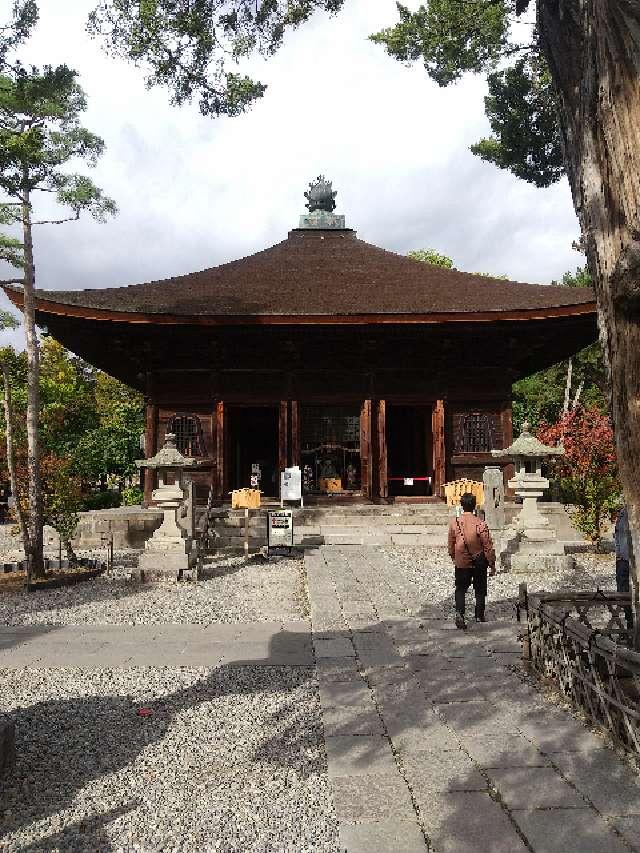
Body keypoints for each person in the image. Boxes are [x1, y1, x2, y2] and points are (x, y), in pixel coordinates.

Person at [447, 492, 496, 629]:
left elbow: (451, 545)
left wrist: (454, 557)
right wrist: (492, 564)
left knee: (461, 589)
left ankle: (460, 614)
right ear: (474, 506)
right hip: (479, 561)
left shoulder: (454, 523)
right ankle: (479, 615)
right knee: (480, 589)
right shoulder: (480, 523)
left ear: (462, 506)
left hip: (462, 561)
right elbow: (487, 546)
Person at [614, 505, 633, 630]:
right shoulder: (623, 512)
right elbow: (618, 536)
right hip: (623, 561)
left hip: (634, 561)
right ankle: (630, 626)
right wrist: (618, 555)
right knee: (623, 593)